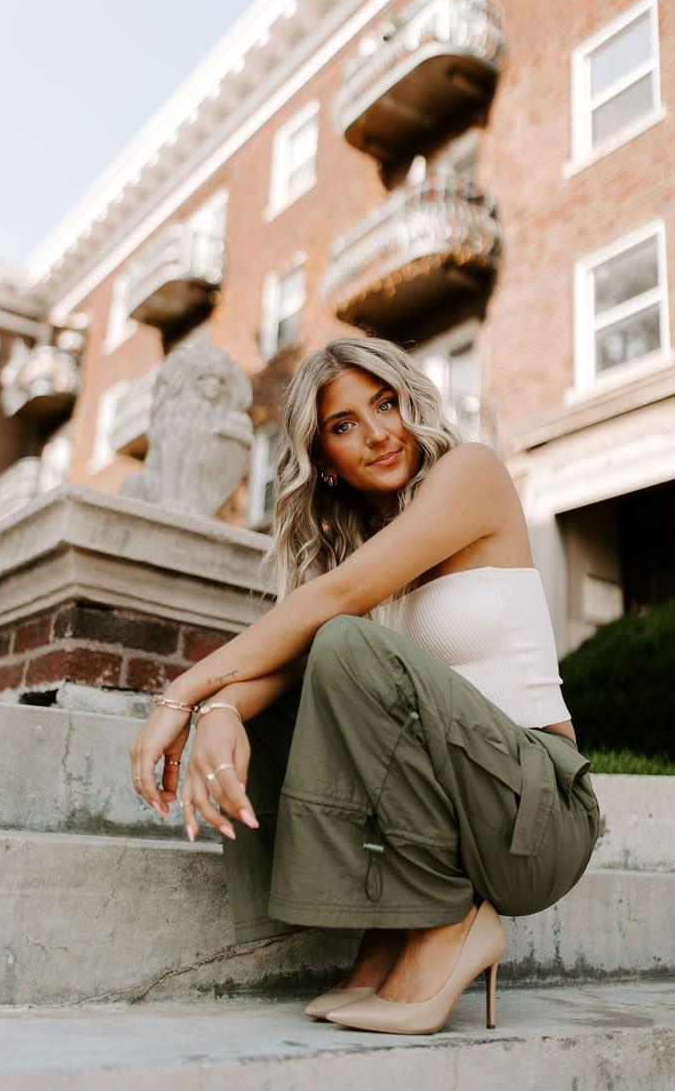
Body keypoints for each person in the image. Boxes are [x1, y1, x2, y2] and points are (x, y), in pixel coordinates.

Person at [129, 336, 600, 1036]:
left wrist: (181, 695)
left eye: (386, 403)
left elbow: (337, 600)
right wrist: (221, 710)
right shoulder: (356, 558)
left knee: (339, 640)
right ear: (323, 462)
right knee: (300, 677)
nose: (379, 433)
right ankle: (388, 922)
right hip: (470, 808)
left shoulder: (472, 473)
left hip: (538, 812)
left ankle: (449, 920)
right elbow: (286, 659)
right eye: (345, 425)